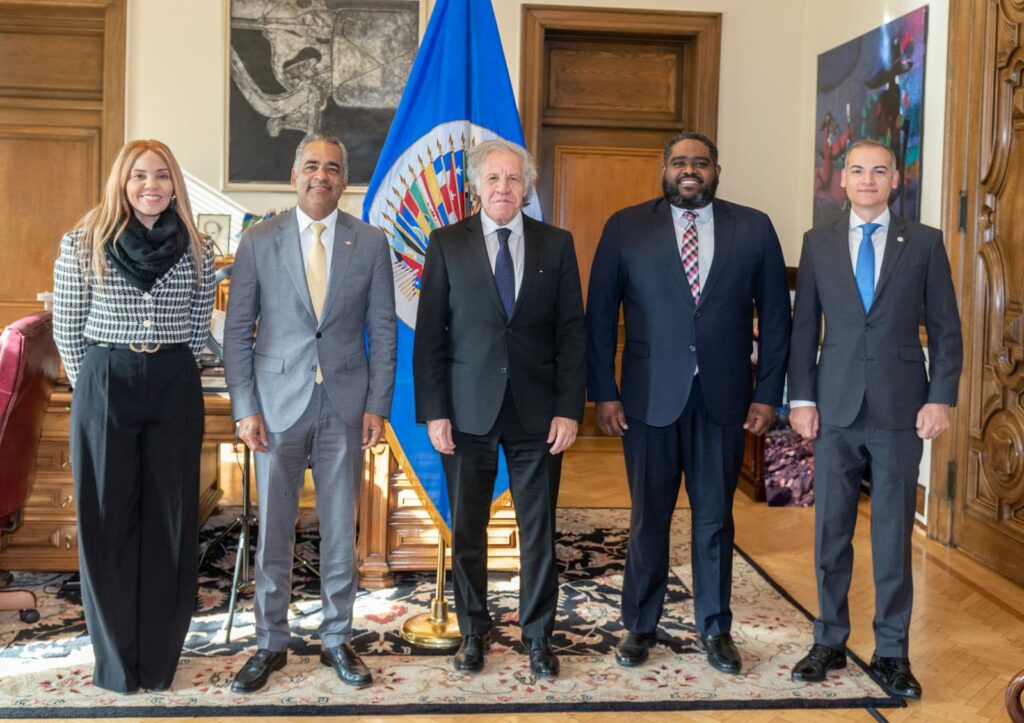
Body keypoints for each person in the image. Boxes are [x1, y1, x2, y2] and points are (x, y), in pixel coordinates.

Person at [586, 131, 791, 675]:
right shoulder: (626, 226)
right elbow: (600, 317)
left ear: (717, 171)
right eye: (680, 162)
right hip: (647, 400)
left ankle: (715, 628)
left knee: (714, 520)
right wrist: (602, 391)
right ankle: (640, 625)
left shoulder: (754, 227)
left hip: (724, 401)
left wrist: (769, 394)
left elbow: (776, 320)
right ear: (665, 167)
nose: (690, 171)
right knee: (648, 518)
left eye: (700, 163)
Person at [787, 139, 962, 699]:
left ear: (894, 182)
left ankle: (892, 652)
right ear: (843, 180)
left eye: (878, 171)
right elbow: (803, 329)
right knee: (830, 532)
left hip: (901, 408)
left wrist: (942, 398)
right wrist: (801, 399)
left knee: (891, 535)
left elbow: (946, 329)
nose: (867, 179)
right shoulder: (818, 243)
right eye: (857, 170)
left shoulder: (926, 243)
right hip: (834, 405)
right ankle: (829, 640)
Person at [223, 133, 396, 693]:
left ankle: (336, 640)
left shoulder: (370, 242)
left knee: (340, 529)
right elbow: (237, 332)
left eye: (333, 168)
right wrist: (245, 406)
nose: (322, 175)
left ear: (345, 180)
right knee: (275, 529)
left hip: (345, 405)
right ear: (294, 174)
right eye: (312, 166)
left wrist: (378, 404)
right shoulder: (258, 241)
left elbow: (384, 332)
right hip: (275, 409)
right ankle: (269, 643)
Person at [413, 139, 585, 679]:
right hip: (466, 413)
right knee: (468, 529)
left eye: (514, 179)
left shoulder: (556, 244)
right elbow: (430, 336)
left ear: (526, 186)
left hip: (539, 415)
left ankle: (538, 637)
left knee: (539, 529)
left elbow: (572, 333)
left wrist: (569, 409)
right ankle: (472, 633)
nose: (504, 188)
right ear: (475, 186)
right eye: (494, 179)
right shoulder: (445, 243)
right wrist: (435, 410)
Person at [52, 139, 216, 693]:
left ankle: (159, 661)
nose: (152, 185)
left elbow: (198, 329)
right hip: (105, 380)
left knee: (171, 523)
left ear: (175, 185)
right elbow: (67, 328)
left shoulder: (198, 247)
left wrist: (170, 370)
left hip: (173, 383)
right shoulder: (83, 244)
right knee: (107, 521)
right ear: (121, 183)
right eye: (140, 175)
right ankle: (117, 665)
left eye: (162, 175)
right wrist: (93, 387)